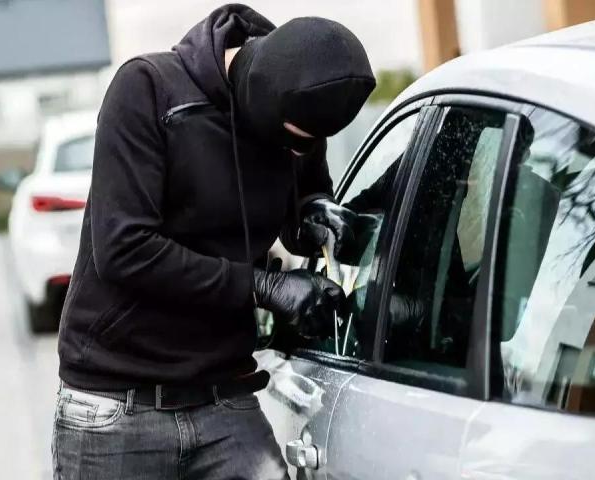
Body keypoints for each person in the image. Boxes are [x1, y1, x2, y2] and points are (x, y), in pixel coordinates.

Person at [51, 4, 375, 480]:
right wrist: (264, 287)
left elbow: (297, 203)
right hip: (117, 405)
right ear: (257, 100)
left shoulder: (300, 108)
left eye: (310, 144)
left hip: (225, 397)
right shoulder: (148, 89)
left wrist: (315, 213)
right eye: (293, 140)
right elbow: (124, 249)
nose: (299, 152)